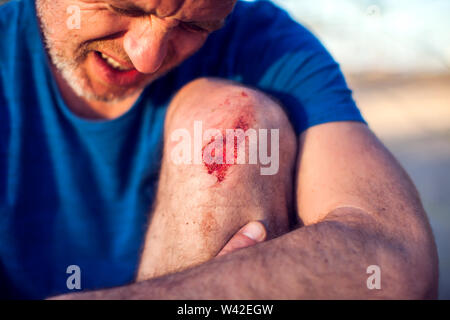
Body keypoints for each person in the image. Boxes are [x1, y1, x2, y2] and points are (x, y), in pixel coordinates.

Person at [0, 0, 438, 299]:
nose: (148, 56)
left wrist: (204, 295)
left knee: (231, 120)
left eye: (194, 26)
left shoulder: (263, 44)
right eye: (125, 7)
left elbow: (394, 256)